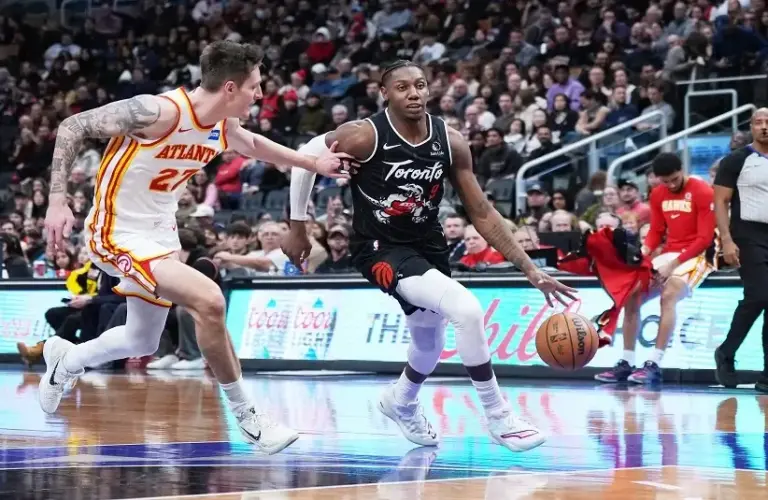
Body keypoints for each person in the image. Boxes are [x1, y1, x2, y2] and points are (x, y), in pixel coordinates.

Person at [40, 41, 355, 455]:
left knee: (142, 339)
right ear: (229, 87)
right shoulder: (158, 112)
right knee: (209, 299)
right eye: (254, 86)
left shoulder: (222, 125)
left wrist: (312, 164)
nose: (259, 95)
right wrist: (58, 201)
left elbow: (253, 144)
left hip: (160, 232)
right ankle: (247, 417)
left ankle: (68, 361)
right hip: (116, 230)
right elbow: (72, 127)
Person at [284, 60, 576, 452]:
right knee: (466, 309)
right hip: (379, 249)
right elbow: (304, 157)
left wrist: (529, 268)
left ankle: (400, 401)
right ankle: (499, 415)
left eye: (420, 85)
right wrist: (298, 227)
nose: (414, 93)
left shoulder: (450, 140)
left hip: (429, 244)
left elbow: (483, 212)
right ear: (384, 93)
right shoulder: (363, 136)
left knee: (429, 342)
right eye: (402, 87)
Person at [595, 153, 715, 385]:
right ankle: (627, 361)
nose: (670, 184)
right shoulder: (658, 193)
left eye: (674, 179)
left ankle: (654, 363)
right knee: (631, 294)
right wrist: (645, 251)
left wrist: (673, 264)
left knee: (669, 295)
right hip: (669, 251)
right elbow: (656, 231)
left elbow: (705, 239)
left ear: (683, 170)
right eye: (665, 181)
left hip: (699, 254)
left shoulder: (702, 191)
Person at [713, 108, 768, 392]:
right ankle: (726, 351)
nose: (764, 127)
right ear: (751, 127)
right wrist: (726, 239)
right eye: (758, 122)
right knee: (760, 295)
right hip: (747, 234)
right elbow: (720, 202)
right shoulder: (737, 160)